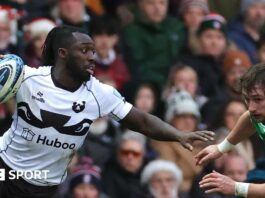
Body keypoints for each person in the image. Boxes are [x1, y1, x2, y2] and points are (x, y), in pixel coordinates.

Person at [0, 25, 214, 198]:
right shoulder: (28, 78)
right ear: (62, 54)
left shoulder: (99, 93)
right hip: (5, 169)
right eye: (84, 50)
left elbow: (142, 121)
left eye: (92, 50)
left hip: (44, 185)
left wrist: (178, 134)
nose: (92, 56)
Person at [195, 63, 265, 197]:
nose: (251, 107)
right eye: (247, 99)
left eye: (257, 99)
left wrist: (235, 187)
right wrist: (221, 148)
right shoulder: (256, 113)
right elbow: (249, 118)